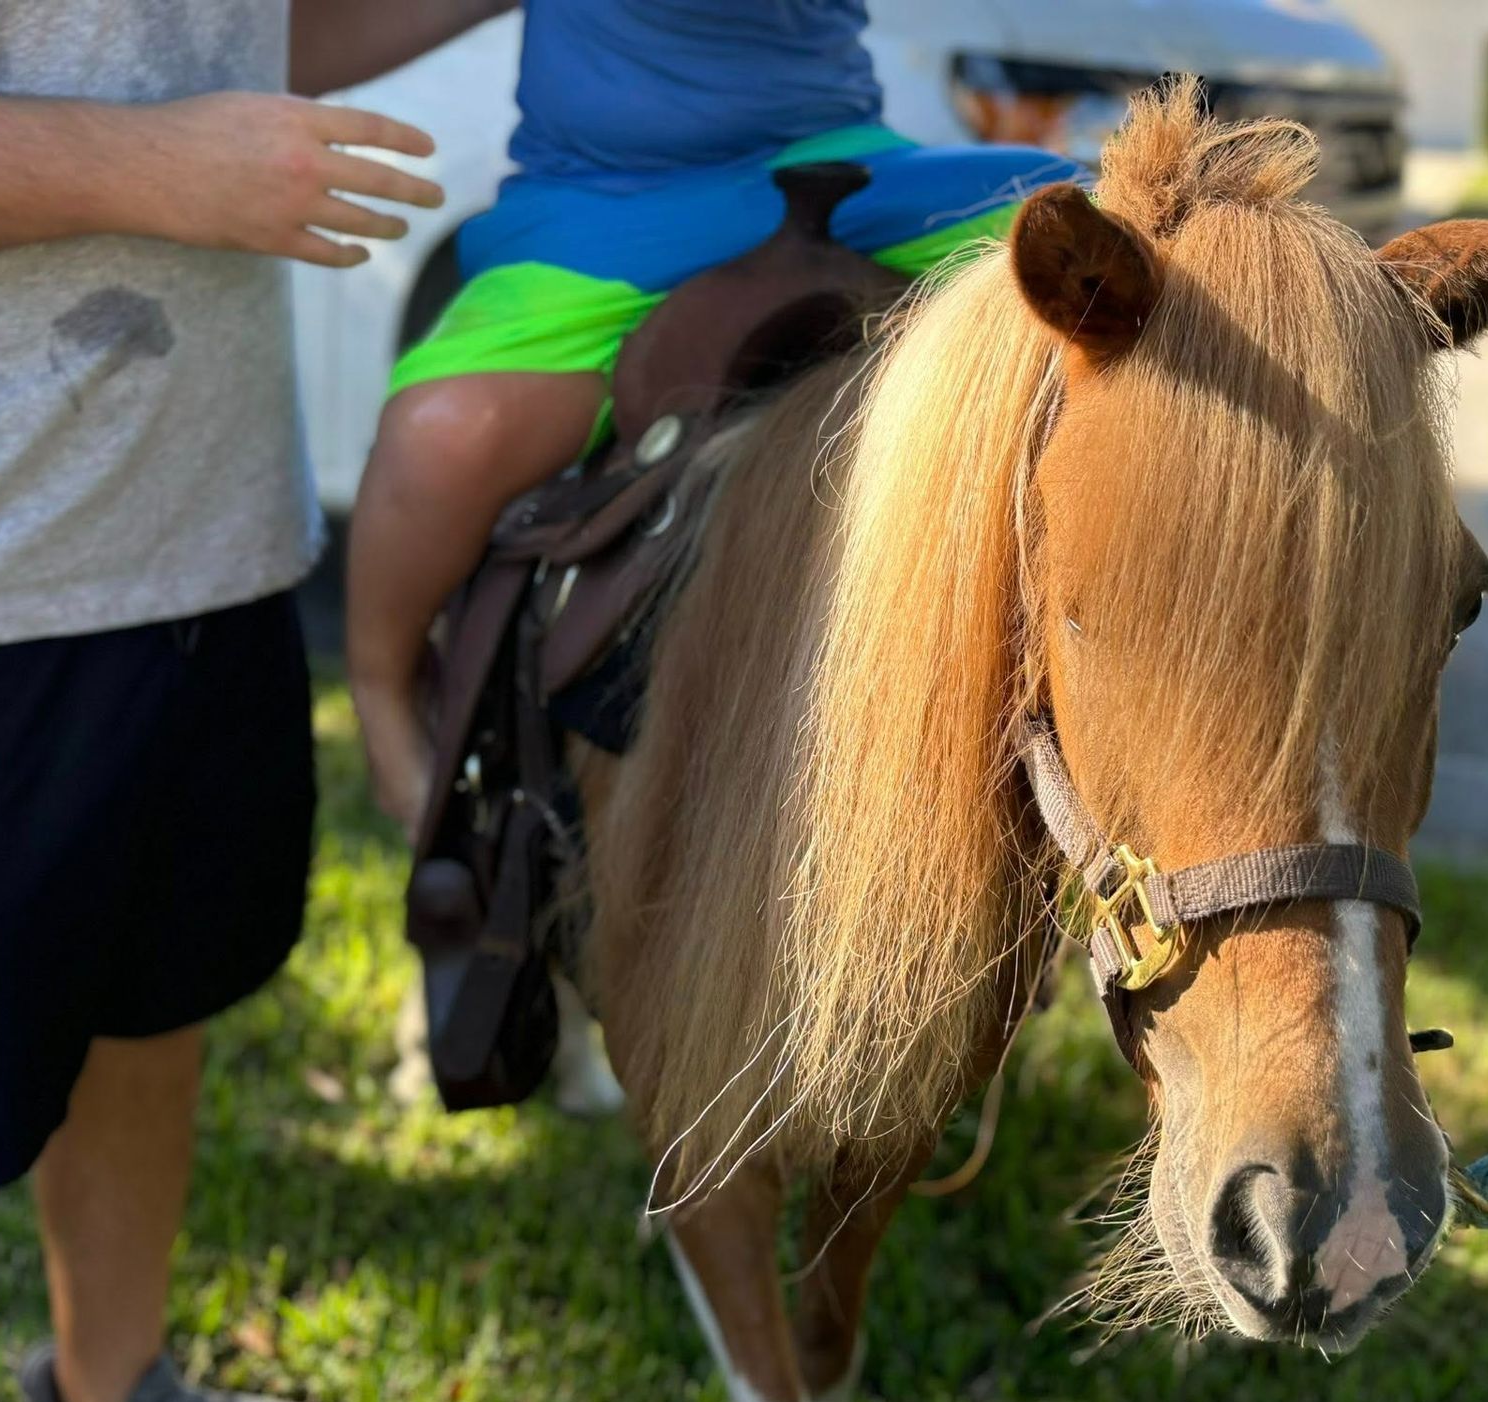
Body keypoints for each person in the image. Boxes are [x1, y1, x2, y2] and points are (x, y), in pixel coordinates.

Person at [0, 4, 512, 1402]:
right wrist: (161, 171)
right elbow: (164, 121)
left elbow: (233, 32)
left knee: (146, 1009)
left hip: (204, 546)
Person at [346, 0, 1080, 830]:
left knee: (1087, 237)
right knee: (444, 432)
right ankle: (383, 687)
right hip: (605, 205)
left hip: (832, 168)